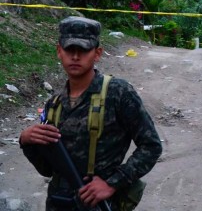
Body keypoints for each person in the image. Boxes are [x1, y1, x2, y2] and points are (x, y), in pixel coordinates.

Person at [19, 16, 162, 210]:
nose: (75, 56)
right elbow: (47, 170)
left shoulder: (118, 93)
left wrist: (112, 183)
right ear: (59, 51)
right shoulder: (54, 103)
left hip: (98, 205)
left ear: (97, 53)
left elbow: (151, 146)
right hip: (58, 203)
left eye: (84, 50)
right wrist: (26, 141)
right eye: (69, 49)